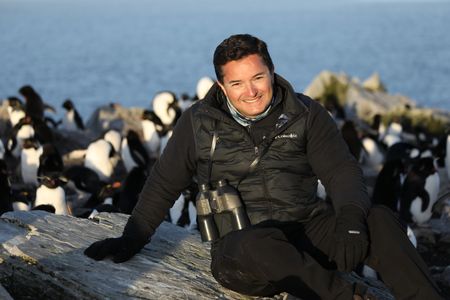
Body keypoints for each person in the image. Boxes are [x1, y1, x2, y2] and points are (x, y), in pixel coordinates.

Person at [84, 34, 442, 300]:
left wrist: (350, 220)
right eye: (237, 82)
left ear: (271, 72)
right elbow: (163, 183)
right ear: (222, 86)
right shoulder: (198, 124)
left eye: (257, 78)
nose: (250, 91)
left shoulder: (305, 114)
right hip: (243, 249)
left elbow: (341, 172)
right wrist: (132, 238)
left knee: (378, 219)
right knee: (256, 243)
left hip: (307, 229)